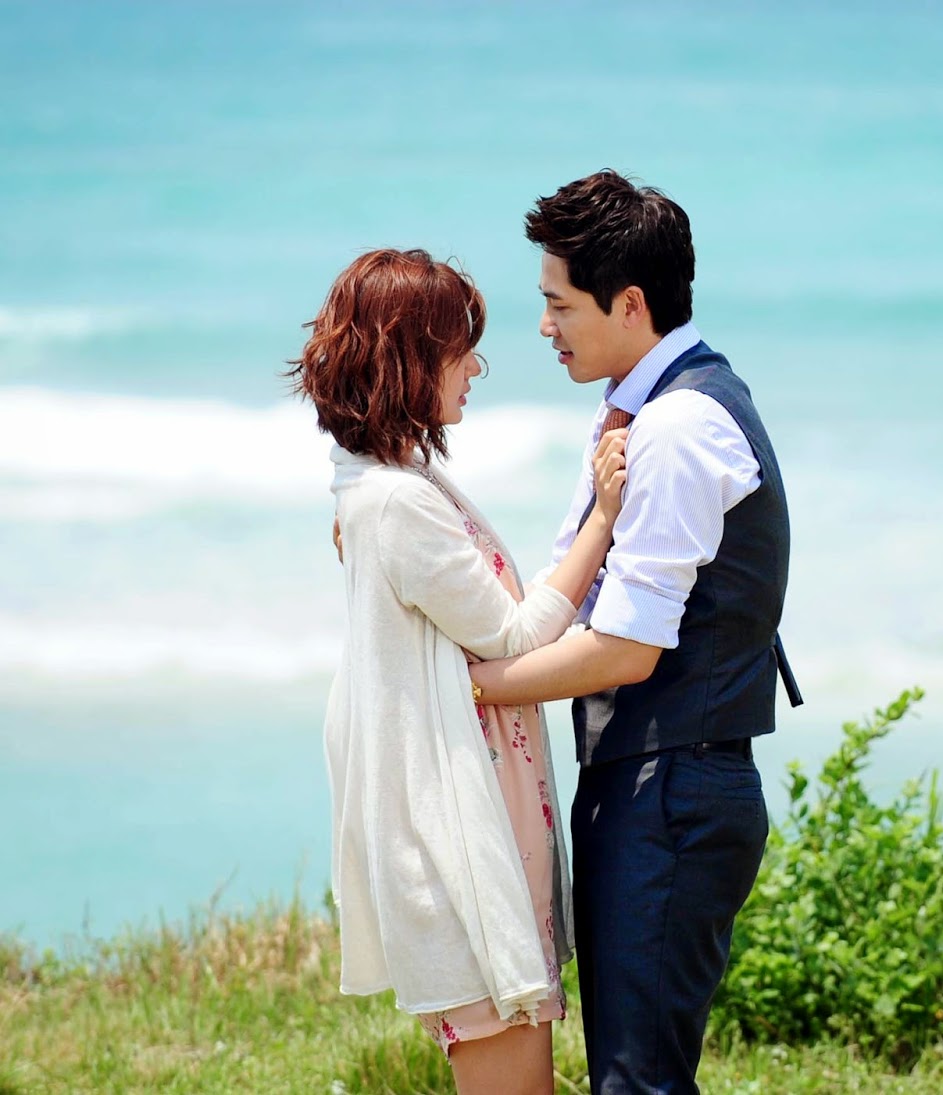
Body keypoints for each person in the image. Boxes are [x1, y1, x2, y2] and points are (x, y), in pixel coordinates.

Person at [467, 171, 801, 1093]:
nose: (544, 326)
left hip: (673, 789)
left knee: (636, 1082)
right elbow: (578, 597)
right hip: (651, 779)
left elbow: (625, 647)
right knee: (634, 1072)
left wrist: (469, 686)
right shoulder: (639, 410)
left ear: (629, 303)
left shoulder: (679, 425)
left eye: (559, 303)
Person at [289, 247, 629, 1095]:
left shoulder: (391, 484)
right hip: (462, 846)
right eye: (458, 349)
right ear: (407, 358)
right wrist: (605, 516)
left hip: (486, 825)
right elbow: (515, 636)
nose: (475, 367)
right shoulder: (397, 501)